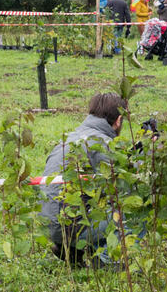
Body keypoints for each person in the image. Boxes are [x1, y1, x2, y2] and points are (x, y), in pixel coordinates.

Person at [40, 93, 126, 265]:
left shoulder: (70, 138)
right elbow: (121, 188)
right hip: (70, 226)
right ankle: (107, 261)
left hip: (47, 224)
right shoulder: (102, 143)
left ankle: (70, 248)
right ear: (118, 120)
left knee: (87, 196)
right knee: (130, 209)